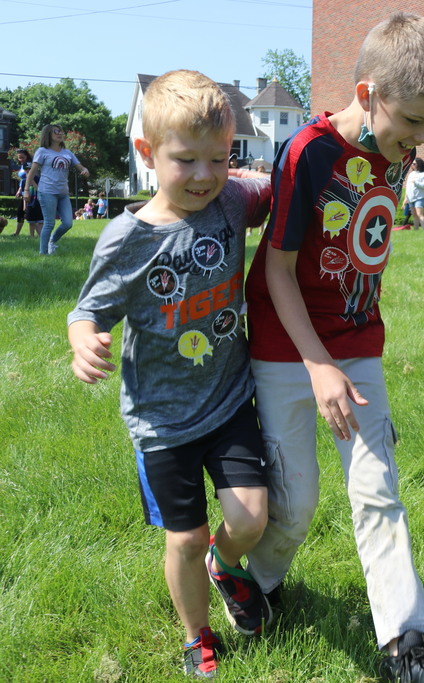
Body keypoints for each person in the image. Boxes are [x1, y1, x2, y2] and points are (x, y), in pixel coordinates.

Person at [244, 13, 424, 683]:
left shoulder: (396, 153)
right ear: (368, 91)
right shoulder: (309, 152)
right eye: (412, 121)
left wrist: (347, 364)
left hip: (357, 344)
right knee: (293, 506)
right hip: (287, 346)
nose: (422, 139)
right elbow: (278, 271)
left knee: (378, 491)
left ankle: (408, 649)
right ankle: (250, 579)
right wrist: (318, 366)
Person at [66, 70, 273, 679]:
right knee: (182, 538)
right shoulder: (126, 240)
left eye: (220, 158)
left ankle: (226, 564)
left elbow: (278, 184)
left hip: (230, 399)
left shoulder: (232, 199)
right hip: (161, 422)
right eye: (187, 160)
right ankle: (196, 634)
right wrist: (85, 342)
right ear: (147, 152)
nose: (207, 175)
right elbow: (87, 310)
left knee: (251, 519)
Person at [27, 124, 90, 255]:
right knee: (49, 223)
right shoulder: (42, 151)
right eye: (56, 132)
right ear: (48, 135)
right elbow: (32, 172)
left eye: (61, 131)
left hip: (63, 193)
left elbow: (80, 167)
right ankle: (43, 253)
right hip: (47, 191)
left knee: (68, 223)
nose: (60, 134)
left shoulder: (67, 153)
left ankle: (52, 241)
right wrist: (26, 190)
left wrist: (85, 170)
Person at [404, 157, 424, 229]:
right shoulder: (411, 174)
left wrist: (416, 183)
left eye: (414, 163)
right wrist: (406, 198)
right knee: (414, 215)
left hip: (419, 197)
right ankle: (416, 229)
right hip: (410, 198)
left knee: (419, 214)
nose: (412, 165)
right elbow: (407, 186)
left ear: (419, 164)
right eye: (412, 163)